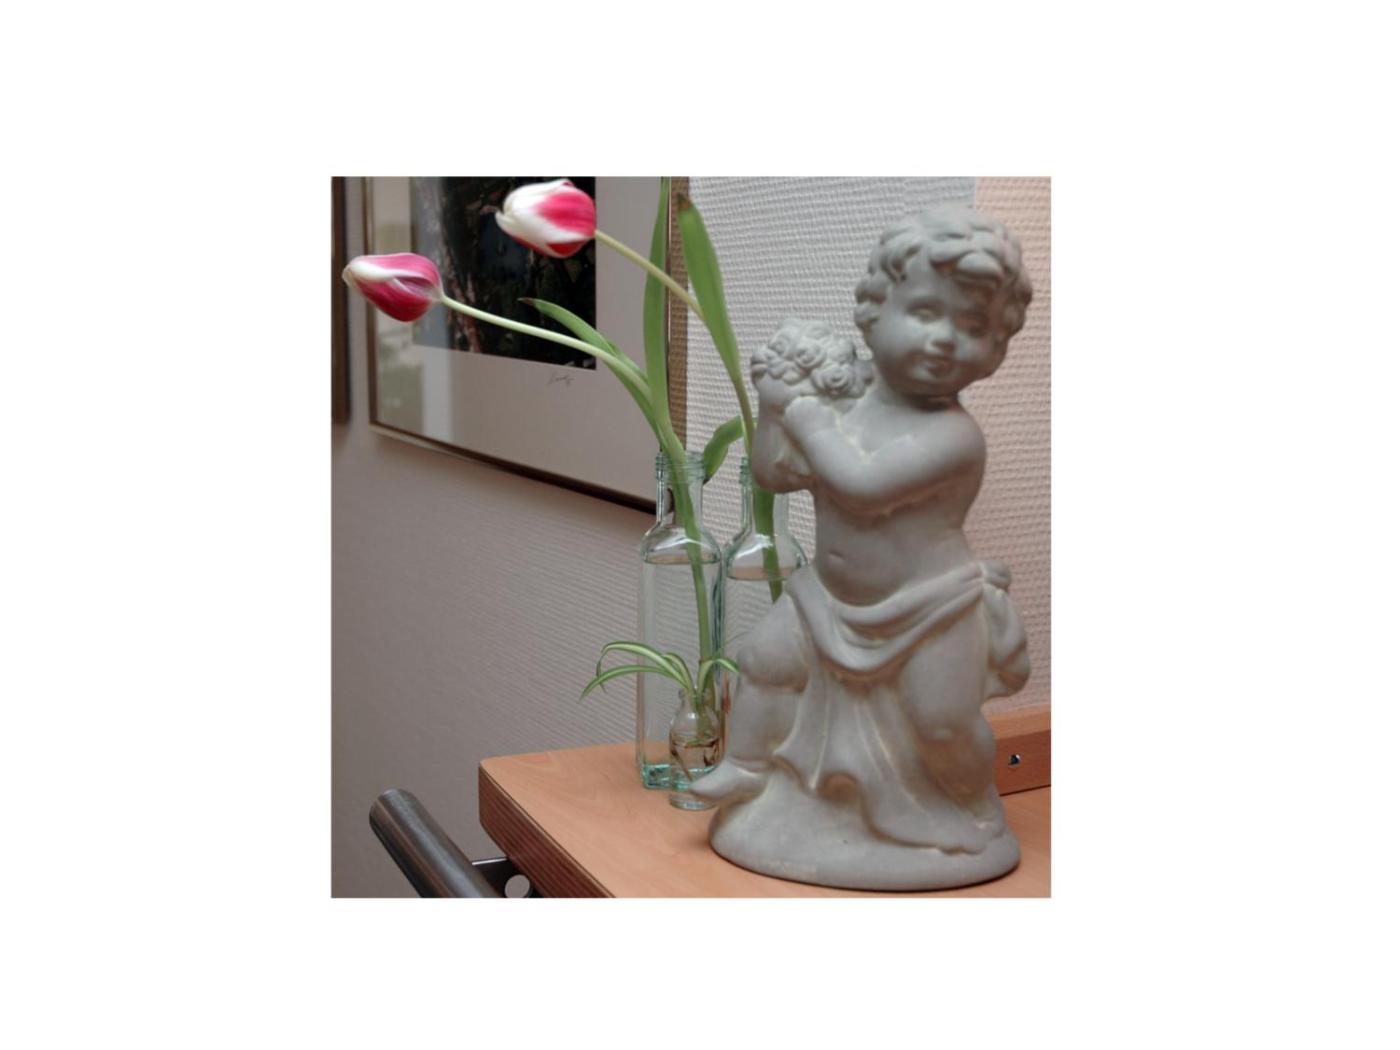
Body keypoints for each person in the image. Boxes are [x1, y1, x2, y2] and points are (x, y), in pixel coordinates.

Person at [691, 206, 1034, 887]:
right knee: (764, 662)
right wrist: (774, 406)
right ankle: (747, 766)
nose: (945, 340)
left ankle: (968, 803)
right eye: (925, 312)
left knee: (942, 723)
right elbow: (776, 473)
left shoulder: (953, 436)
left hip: (930, 607)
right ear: (875, 312)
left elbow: (861, 485)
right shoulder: (847, 400)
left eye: (972, 327)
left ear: (997, 346)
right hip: (830, 596)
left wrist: (806, 413)